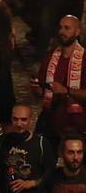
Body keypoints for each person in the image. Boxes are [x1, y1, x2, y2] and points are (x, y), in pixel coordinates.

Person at [31, 15, 86, 143]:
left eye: (67, 28)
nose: (62, 31)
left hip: (76, 124)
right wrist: (36, 89)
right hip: (51, 120)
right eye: (60, 27)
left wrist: (67, 91)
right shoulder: (50, 56)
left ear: (77, 32)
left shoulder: (84, 59)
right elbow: (41, 92)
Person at [0, 103, 55, 193]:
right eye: (15, 119)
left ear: (31, 120)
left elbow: (51, 173)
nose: (19, 124)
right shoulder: (4, 140)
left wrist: (31, 183)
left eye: (23, 120)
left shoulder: (41, 143)